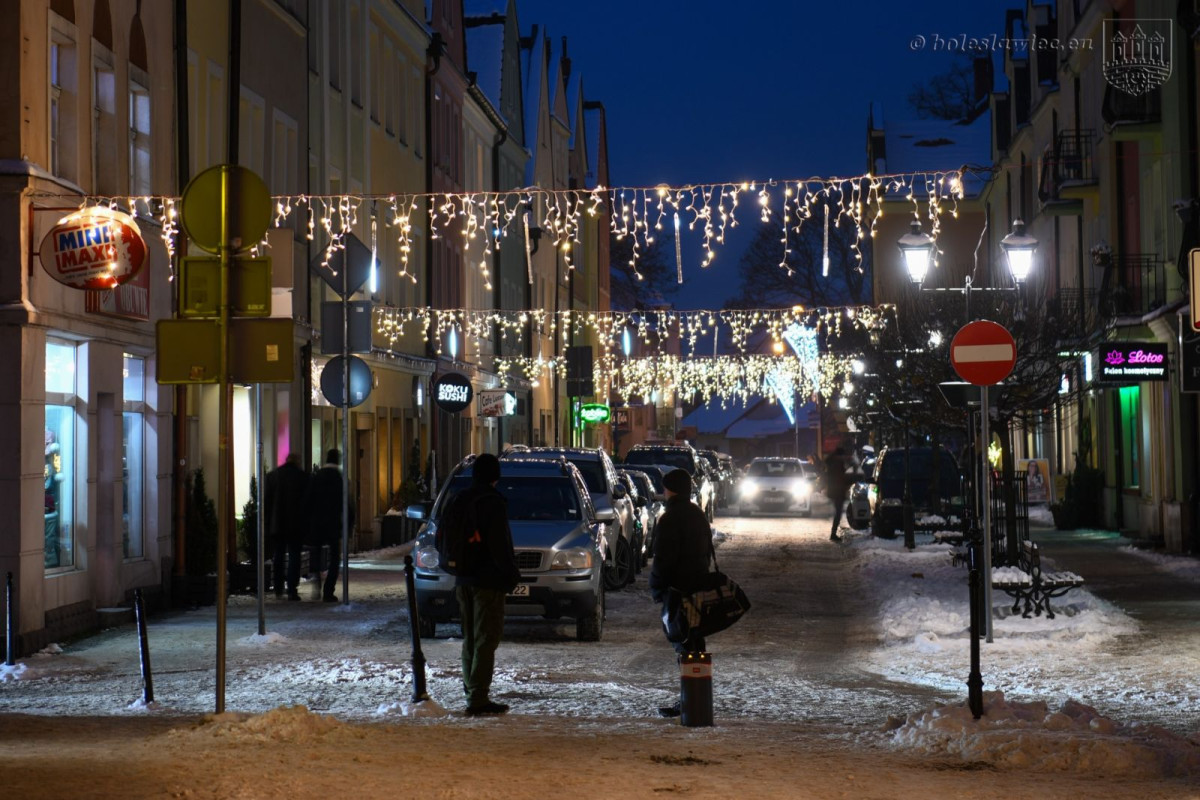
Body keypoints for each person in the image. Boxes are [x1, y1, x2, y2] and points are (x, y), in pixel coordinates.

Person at [451, 453, 521, 716]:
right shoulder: (493, 503)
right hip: (487, 581)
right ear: (496, 476)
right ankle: (478, 698)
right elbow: (499, 545)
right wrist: (511, 575)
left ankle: (472, 691)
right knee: (486, 638)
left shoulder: (460, 499)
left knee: (469, 638)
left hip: (463, 578)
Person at [648, 468, 714, 718]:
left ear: (671, 489)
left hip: (677, 592)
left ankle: (691, 701)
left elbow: (663, 560)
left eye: (665, 488)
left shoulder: (671, 518)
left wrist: (657, 587)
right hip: (698, 589)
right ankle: (695, 698)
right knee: (695, 643)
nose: (663, 492)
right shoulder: (697, 514)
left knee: (683, 644)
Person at [307, 449, 353, 602]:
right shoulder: (340, 478)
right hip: (334, 524)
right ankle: (328, 591)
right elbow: (347, 505)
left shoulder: (316, 477)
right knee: (334, 558)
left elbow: (307, 501)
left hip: (316, 523)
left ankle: (316, 584)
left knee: (316, 554)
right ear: (338, 460)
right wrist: (349, 526)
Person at [264, 452, 308, 600]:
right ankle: (292, 589)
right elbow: (307, 503)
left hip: (277, 524)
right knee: (295, 556)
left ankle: (277, 588)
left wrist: (268, 523)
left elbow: (267, 502)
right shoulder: (303, 477)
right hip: (296, 524)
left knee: (279, 555)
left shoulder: (273, 476)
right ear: (297, 462)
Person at [824, 447, 853, 542]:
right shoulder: (837, 464)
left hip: (835, 491)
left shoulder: (833, 463)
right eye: (843, 456)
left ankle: (833, 533)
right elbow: (840, 478)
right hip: (838, 491)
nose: (844, 457)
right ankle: (833, 533)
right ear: (839, 456)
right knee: (838, 513)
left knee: (838, 512)